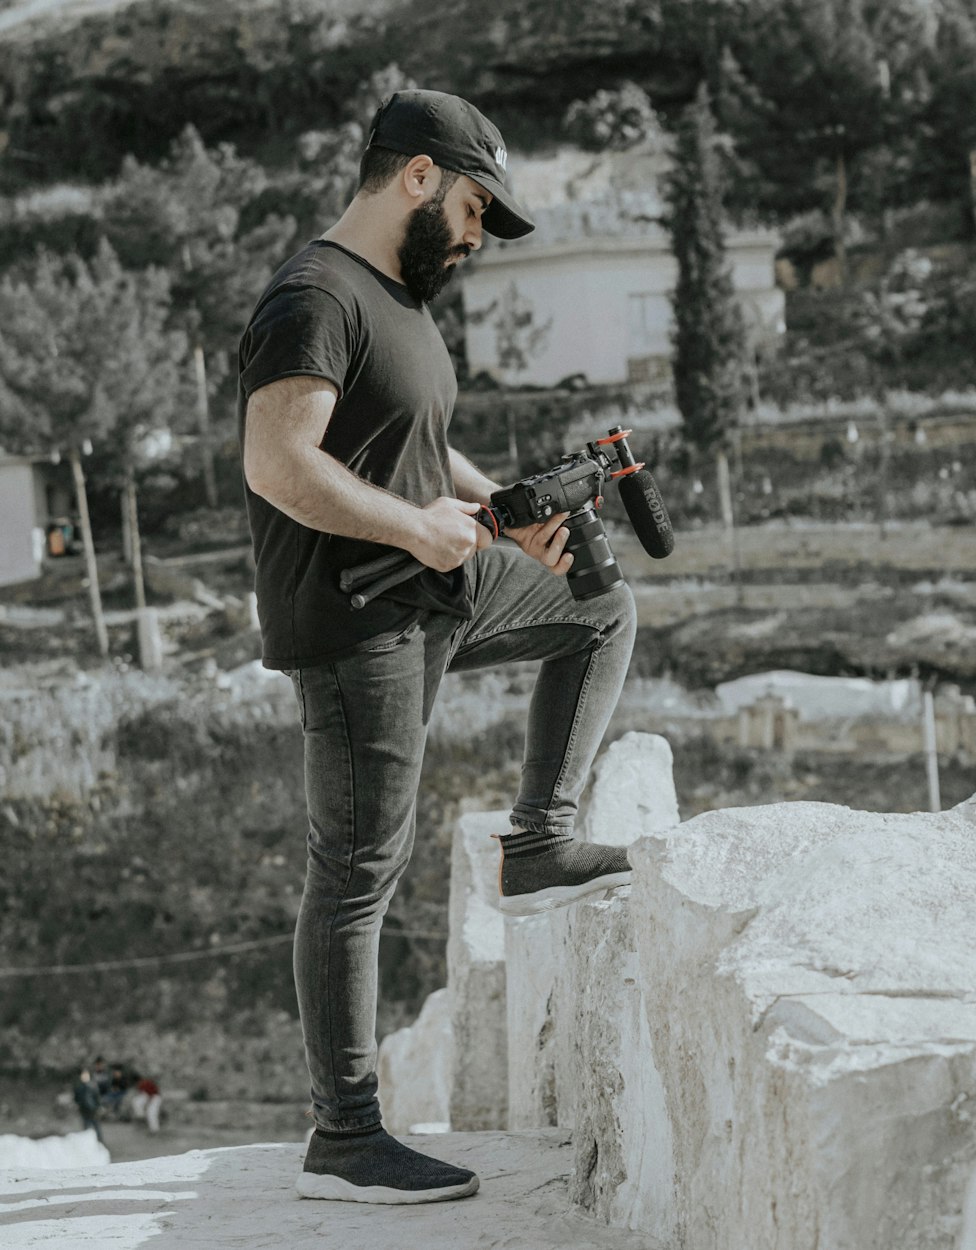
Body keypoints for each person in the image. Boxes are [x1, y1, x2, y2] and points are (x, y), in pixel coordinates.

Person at [238, 88, 636, 1205]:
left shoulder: (396, 296)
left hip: (435, 585)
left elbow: (418, 441)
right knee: (357, 869)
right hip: (358, 614)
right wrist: (418, 524)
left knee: (600, 607)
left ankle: (540, 844)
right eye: (471, 209)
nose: (474, 236)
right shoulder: (313, 296)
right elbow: (279, 463)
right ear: (417, 176)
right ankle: (345, 1135)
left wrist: (501, 505)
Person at [72, 1067, 104, 1144]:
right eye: (83, 1075)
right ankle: (88, 1144)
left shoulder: (93, 1086)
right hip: (84, 1111)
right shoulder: (78, 1087)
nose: (85, 1077)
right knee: (86, 1129)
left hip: (93, 1110)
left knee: (97, 1128)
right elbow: (76, 1099)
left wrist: (98, 1107)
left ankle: (100, 1143)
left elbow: (97, 1098)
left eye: (86, 1075)